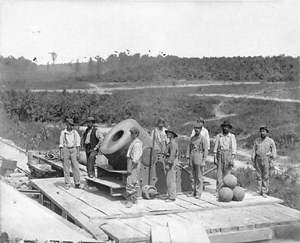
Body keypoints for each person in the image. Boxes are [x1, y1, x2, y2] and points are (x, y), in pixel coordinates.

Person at [251, 125, 277, 198]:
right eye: (261, 131)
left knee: (265, 175)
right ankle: (259, 190)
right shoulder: (257, 140)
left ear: (267, 132)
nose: (262, 133)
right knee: (258, 175)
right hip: (258, 158)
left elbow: (274, 151)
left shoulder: (270, 141)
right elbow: (254, 150)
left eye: (264, 131)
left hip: (266, 158)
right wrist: (253, 159)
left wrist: (272, 159)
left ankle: (264, 191)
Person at [213, 120, 237, 192]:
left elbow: (234, 148)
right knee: (219, 173)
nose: (225, 128)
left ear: (229, 128)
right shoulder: (219, 136)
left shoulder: (232, 136)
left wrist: (232, 159)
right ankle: (218, 190)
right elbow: (215, 147)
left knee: (228, 173)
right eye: (224, 127)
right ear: (222, 128)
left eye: (227, 127)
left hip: (228, 155)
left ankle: (227, 190)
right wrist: (215, 157)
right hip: (220, 154)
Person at [186, 122, 209, 199]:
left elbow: (205, 150)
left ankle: (199, 192)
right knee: (192, 176)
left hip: (199, 157)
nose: (197, 130)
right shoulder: (192, 139)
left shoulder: (203, 139)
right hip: (192, 157)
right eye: (195, 128)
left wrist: (203, 161)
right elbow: (188, 148)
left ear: (201, 129)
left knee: (199, 176)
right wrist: (188, 158)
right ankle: (194, 191)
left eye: (198, 128)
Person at [59, 118, 82, 190]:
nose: (70, 126)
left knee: (76, 167)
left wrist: (78, 153)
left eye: (72, 125)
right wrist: (61, 154)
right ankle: (67, 183)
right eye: (69, 125)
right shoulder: (63, 133)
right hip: (66, 149)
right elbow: (61, 145)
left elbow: (78, 144)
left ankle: (77, 183)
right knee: (66, 168)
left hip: (74, 149)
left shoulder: (75, 133)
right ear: (67, 124)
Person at [125, 127, 143, 208]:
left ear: (136, 134)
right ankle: (134, 199)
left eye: (133, 133)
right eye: (131, 133)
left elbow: (135, 158)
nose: (131, 134)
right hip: (132, 162)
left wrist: (130, 168)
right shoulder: (134, 142)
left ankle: (130, 201)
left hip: (134, 163)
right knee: (134, 182)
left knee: (130, 182)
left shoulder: (137, 144)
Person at [164, 128, 179, 202]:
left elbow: (172, 155)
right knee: (169, 180)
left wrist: (169, 164)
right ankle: (170, 195)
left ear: (172, 135)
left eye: (169, 133)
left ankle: (172, 197)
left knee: (171, 180)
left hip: (171, 163)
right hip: (169, 162)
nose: (167, 134)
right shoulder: (170, 143)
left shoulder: (173, 144)